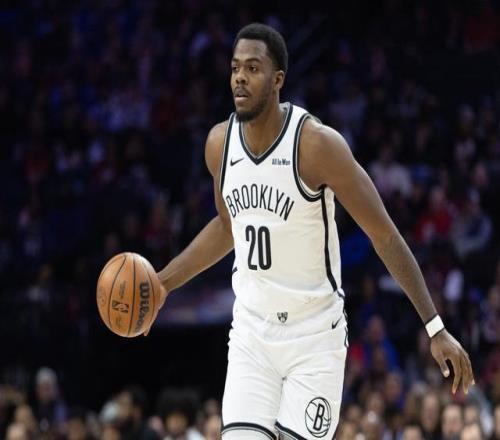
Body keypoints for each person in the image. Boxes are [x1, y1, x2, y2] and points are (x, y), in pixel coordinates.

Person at [150, 23, 475, 439]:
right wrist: (163, 283)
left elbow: (384, 235)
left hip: (314, 337)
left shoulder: (316, 146)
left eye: (253, 68)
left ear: (278, 80)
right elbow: (228, 226)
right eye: (235, 68)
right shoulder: (219, 144)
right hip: (251, 333)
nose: (240, 78)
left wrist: (435, 327)